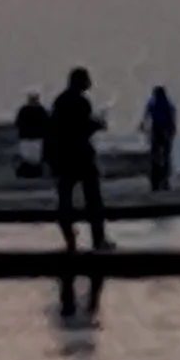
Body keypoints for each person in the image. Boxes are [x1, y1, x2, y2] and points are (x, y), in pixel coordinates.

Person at [45, 66, 112, 252]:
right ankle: (98, 240)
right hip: (81, 156)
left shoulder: (60, 101)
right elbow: (81, 128)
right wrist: (98, 124)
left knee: (65, 200)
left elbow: (55, 129)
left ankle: (69, 240)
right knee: (93, 199)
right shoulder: (82, 102)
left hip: (63, 157)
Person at [140, 85, 178, 194]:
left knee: (155, 157)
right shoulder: (167, 104)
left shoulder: (153, 103)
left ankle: (155, 182)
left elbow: (146, 116)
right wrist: (172, 131)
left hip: (156, 132)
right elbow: (172, 118)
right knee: (165, 157)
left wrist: (142, 125)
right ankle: (164, 181)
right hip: (164, 132)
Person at [13, 92, 50, 179]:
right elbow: (47, 125)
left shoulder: (23, 111)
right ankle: (35, 173)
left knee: (27, 158)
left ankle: (27, 173)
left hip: (25, 139)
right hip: (37, 140)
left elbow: (18, 123)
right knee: (36, 159)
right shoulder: (41, 111)